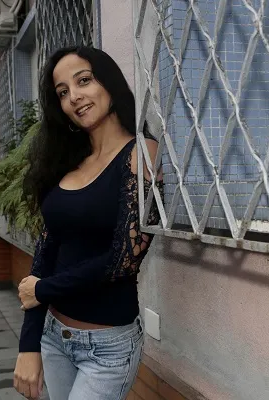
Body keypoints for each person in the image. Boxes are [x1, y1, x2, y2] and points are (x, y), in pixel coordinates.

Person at [12, 45, 163, 400]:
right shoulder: (68, 162)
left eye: (84, 81)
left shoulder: (142, 153)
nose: (74, 97)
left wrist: (43, 290)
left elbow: (124, 258)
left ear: (109, 82)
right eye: (63, 92)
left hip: (107, 347)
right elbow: (47, 250)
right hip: (54, 336)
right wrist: (29, 343)